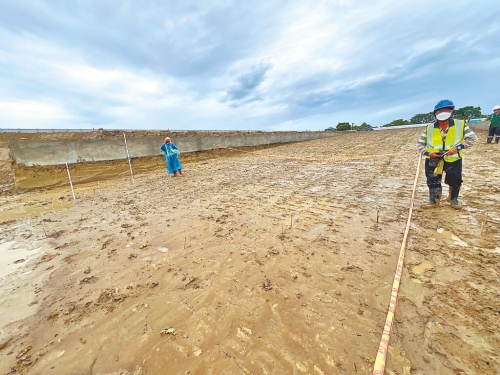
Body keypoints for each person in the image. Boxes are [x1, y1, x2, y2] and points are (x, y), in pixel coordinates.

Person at [416, 99, 477, 210]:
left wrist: (457, 148)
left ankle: (453, 199)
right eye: (439, 111)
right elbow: (420, 144)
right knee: (433, 180)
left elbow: (472, 138)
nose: (442, 113)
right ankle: (434, 200)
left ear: (451, 111)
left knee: (455, 180)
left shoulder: (460, 124)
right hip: (433, 159)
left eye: (446, 110)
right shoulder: (429, 128)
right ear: (435, 113)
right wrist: (428, 153)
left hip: (453, 159)